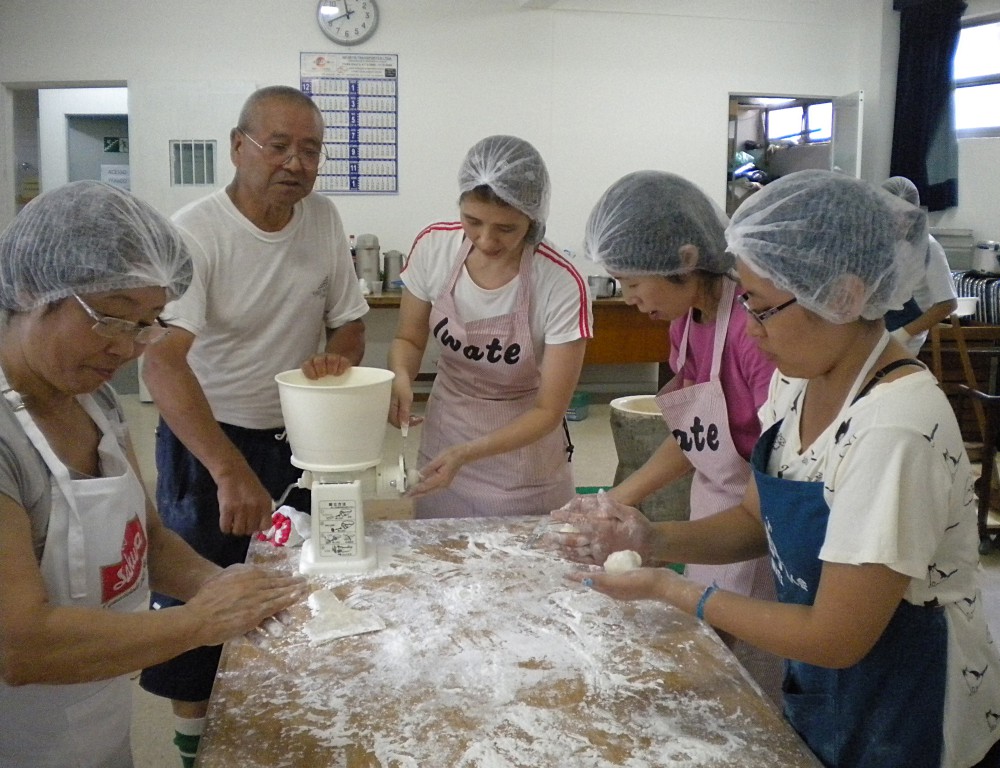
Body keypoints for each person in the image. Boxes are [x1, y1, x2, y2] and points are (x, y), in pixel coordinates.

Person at [554, 170, 1000, 768]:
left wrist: (673, 588)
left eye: (765, 308)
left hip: (915, 712)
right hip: (835, 693)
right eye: (744, 302)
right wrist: (651, 538)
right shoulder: (801, 385)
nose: (748, 328)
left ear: (846, 296)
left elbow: (837, 636)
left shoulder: (894, 427)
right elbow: (755, 516)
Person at [0, 181, 306, 768]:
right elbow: (22, 645)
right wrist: (198, 623)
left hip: (94, 724)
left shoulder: (92, 399)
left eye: (148, 323)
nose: (130, 349)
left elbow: (147, 538)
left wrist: (220, 585)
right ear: (32, 289)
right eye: (112, 319)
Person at [138, 85, 367, 765]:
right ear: (238, 147)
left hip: (304, 441)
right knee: (204, 596)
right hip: (211, 443)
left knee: (313, 583)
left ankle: (299, 726)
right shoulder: (194, 232)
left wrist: (339, 357)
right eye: (278, 145)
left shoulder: (322, 219)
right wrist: (227, 471)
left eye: (310, 149)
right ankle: (191, 747)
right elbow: (162, 363)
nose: (295, 162)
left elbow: (351, 322)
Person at [562, 170, 779, 693]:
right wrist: (612, 501)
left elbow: (781, 466)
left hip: (763, 522)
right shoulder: (686, 324)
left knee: (748, 679)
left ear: (685, 261)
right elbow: (693, 435)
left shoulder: (756, 336)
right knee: (709, 650)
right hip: (711, 507)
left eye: (633, 283)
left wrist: (649, 536)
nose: (628, 298)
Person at [388, 135, 591, 518]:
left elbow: (549, 409)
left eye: (506, 228)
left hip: (522, 460)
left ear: (533, 220)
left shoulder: (559, 282)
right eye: (473, 221)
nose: (485, 239)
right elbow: (408, 338)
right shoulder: (435, 248)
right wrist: (400, 375)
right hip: (445, 439)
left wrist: (469, 453)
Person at [881, 176, 957, 356]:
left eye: (904, 215)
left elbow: (947, 303)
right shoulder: (882, 243)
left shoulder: (928, 247)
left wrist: (902, 334)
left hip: (904, 334)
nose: (897, 221)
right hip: (879, 326)